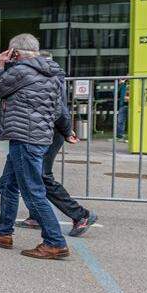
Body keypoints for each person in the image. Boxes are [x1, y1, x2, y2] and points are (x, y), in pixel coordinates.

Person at [0, 33, 69, 259]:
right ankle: (3, 232)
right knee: (7, 185)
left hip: (25, 138)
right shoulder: (53, 72)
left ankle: (55, 242)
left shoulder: (19, 71)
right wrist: (67, 130)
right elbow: (58, 109)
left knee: (33, 191)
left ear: (14, 53)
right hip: (37, 137)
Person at [18, 52, 98, 237]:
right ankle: (36, 214)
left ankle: (80, 215)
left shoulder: (49, 77)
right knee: (22, 174)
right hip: (41, 131)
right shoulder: (49, 75)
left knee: (41, 175)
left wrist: (67, 130)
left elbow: (58, 109)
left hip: (48, 132)